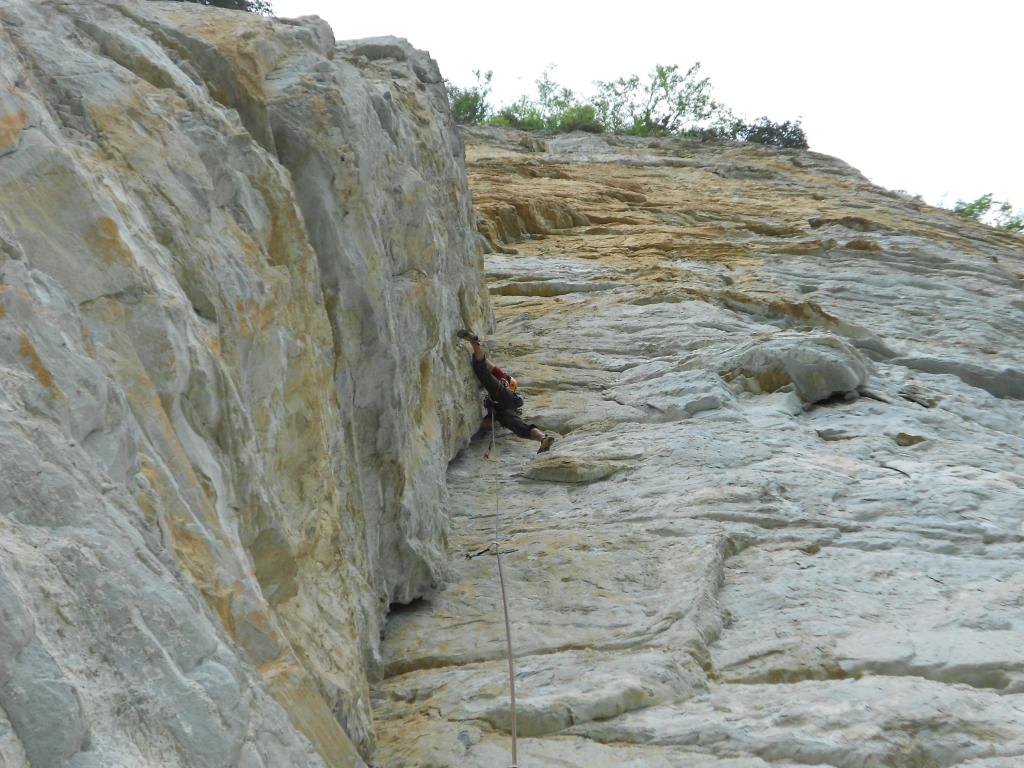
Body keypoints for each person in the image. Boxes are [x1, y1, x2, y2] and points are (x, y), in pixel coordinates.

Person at [458, 329, 555, 453]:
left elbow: (486, 363)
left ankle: (543, 439)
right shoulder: (505, 385)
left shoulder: (503, 381)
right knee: (521, 428)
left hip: (501, 402)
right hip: (503, 400)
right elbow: (488, 424)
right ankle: (542, 437)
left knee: (481, 368)